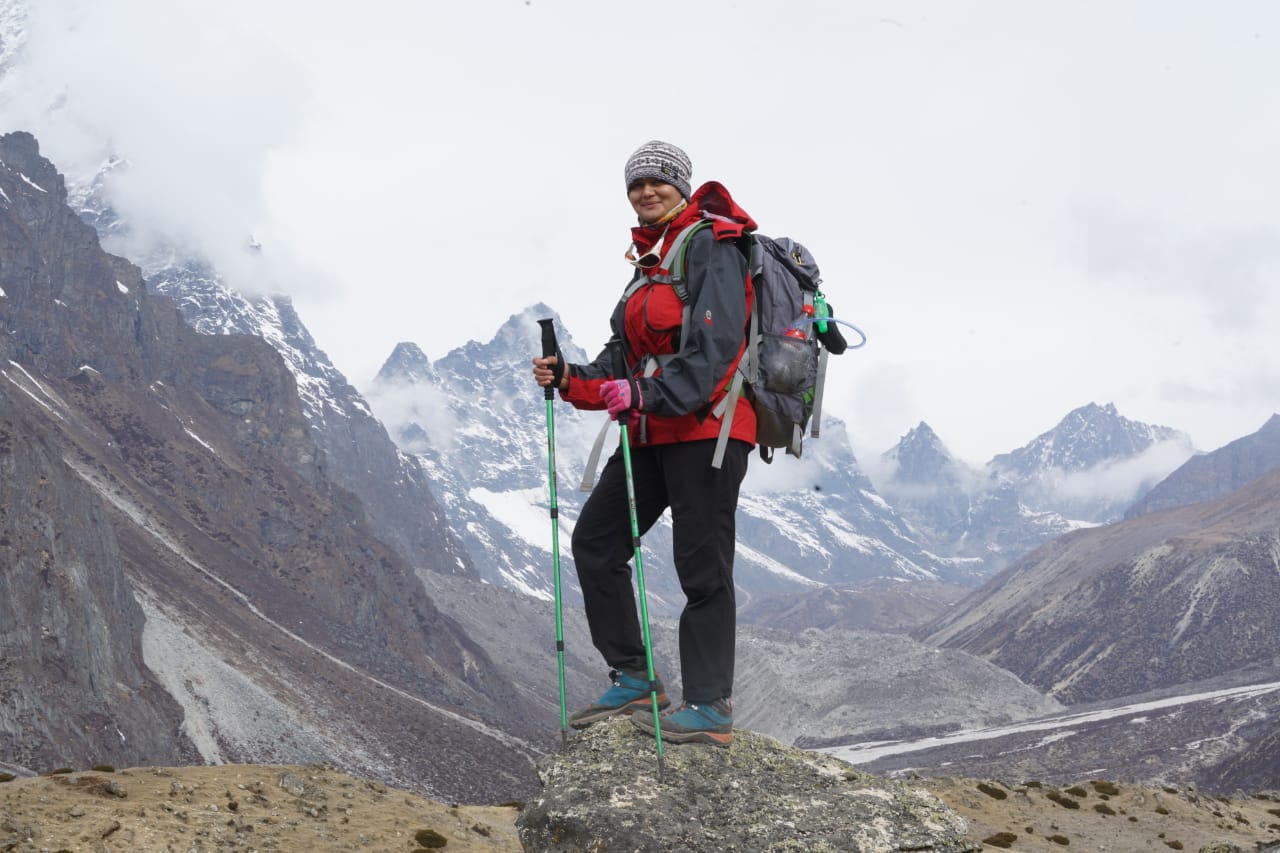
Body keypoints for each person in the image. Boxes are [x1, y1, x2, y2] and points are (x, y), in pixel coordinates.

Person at [531, 140, 757, 747]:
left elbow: (716, 351)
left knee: (701, 567)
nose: (646, 191)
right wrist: (574, 378)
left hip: (708, 429)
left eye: (658, 182)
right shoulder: (649, 262)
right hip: (653, 429)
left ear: (682, 187)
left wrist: (646, 395)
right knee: (596, 544)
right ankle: (634, 676)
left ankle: (710, 706)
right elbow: (624, 358)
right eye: (636, 185)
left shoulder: (715, 246)